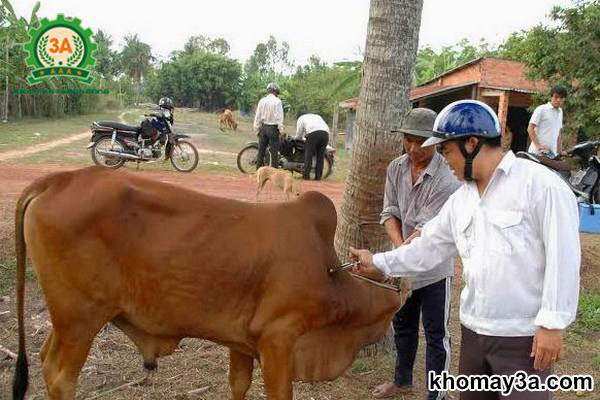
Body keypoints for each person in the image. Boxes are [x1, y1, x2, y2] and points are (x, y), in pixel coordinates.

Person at [350, 100, 580, 400]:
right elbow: (428, 247)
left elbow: (564, 259)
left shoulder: (541, 187)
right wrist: (379, 263)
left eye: (446, 151)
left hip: (522, 339)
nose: (444, 161)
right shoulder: (462, 200)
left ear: (472, 143)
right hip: (474, 333)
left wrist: (552, 325)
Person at [372, 108, 460, 400]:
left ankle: (438, 394)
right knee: (403, 326)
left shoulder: (447, 179)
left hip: (434, 268)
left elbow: (425, 232)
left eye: (419, 142)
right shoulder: (396, 168)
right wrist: (399, 252)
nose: (412, 148)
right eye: (407, 140)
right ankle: (402, 381)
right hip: (402, 260)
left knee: (437, 334)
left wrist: (401, 257)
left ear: (434, 142)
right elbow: (390, 212)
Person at [528, 85, 567, 156]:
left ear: (564, 99)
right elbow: (530, 128)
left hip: (551, 154)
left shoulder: (560, 112)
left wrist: (560, 151)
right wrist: (538, 145)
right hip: (536, 154)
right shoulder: (541, 109)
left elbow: (558, 133)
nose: (558, 100)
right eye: (556, 97)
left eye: (561, 98)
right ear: (551, 97)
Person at [254, 83, 285, 168]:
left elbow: (258, 116)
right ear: (276, 92)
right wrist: (281, 130)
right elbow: (279, 118)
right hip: (273, 128)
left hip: (263, 128)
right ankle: (273, 172)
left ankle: (259, 171)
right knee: (274, 152)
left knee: (261, 151)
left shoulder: (262, 101)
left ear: (268, 91)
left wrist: (257, 129)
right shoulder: (277, 101)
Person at [295, 111, 330, 180]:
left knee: (309, 154)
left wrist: (297, 139)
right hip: (325, 134)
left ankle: (306, 176)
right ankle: (318, 177)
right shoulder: (317, 116)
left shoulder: (301, 119)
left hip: (313, 134)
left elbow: (299, 135)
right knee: (320, 156)